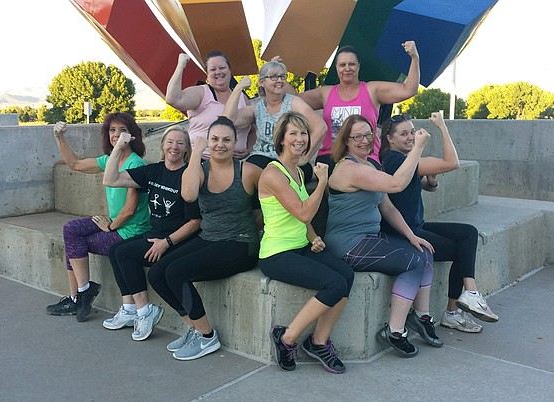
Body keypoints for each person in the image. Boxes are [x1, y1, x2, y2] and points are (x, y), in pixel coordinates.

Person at [324, 114, 440, 358]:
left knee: (424, 253)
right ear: (346, 141)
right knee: (413, 261)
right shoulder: (349, 168)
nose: (365, 140)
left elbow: (387, 207)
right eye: (358, 136)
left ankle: (422, 317)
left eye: (369, 134)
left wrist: (411, 236)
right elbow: (397, 184)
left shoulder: (370, 166)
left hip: (369, 239)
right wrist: (417, 147)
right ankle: (395, 331)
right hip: (347, 244)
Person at [145, 116, 261, 360]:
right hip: (209, 237)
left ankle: (207, 337)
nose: (220, 144)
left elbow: (266, 205)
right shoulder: (200, 170)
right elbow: (188, 195)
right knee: (157, 272)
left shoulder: (248, 170)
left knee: (176, 272)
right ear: (207, 141)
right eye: (215, 139)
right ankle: (195, 327)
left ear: (235, 142)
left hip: (241, 243)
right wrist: (196, 152)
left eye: (227, 140)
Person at [379, 112, 499, 333]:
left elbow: (427, 186)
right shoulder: (395, 160)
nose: (410, 137)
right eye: (403, 133)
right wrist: (442, 126)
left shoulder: (406, 159)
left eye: (412, 132)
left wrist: (431, 179)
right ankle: (455, 310)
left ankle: (468, 296)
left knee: (468, 233)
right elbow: (452, 163)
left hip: (416, 226)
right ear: (389, 138)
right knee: (461, 248)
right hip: (402, 234)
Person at [258, 111, 353, 374]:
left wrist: (313, 237)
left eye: (303, 133)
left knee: (347, 274)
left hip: (301, 247)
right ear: (281, 139)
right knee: (334, 284)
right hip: (276, 254)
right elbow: (303, 212)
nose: (300, 139)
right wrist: (322, 182)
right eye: (293, 133)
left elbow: (300, 218)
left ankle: (318, 341)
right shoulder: (273, 173)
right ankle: (287, 338)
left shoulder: (298, 171)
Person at [46, 113, 150, 322]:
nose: (116, 134)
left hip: (130, 230)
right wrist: (60, 138)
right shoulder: (109, 160)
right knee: (71, 230)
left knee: (77, 242)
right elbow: (74, 164)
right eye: (112, 130)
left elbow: (130, 209)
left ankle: (79, 298)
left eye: (122, 130)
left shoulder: (135, 164)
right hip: (115, 224)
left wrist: (111, 227)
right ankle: (83, 291)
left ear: (131, 135)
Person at [102, 125, 201, 341]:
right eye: (170, 142)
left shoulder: (189, 176)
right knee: (114, 250)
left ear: (186, 149)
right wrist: (119, 146)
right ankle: (130, 309)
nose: (174, 147)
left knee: (124, 253)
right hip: (155, 233)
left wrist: (166, 242)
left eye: (180, 143)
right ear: (162, 145)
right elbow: (110, 179)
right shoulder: (153, 171)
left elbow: (195, 222)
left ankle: (145, 311)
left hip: (178, 240)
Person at [297, 41, 420, 169]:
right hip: (331, 156)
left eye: (352, 64)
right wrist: (277, 71)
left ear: (358, 66)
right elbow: (293, 99)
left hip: (366, 156)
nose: (347, 68)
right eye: (342, 65)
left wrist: (414, 58)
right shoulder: (325, 93)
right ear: (336, 68)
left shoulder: (372, 90)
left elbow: (409, 90)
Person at [224, 61, 327, 183]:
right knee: (247, 174)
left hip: (289, 158)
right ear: (262, 82)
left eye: (282, 76)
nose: (279, 80)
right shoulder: (257, 108)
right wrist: (238, 89)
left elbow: (321, 127)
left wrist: (304, 158)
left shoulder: (294, 103)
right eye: (273, 77)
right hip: (262, 157)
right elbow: (228, 121)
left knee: (277, 178)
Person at [165, 51, 255, 159]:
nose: (218, 72)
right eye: (213, 69)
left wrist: (249, 148)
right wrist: (181, 65)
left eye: (222, 68)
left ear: (230, 70)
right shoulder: (202, 93)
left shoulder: (242, 97)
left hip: (234, 163)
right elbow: (172, 99)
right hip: (201, 160)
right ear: (207, 74)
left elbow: (253, 130)